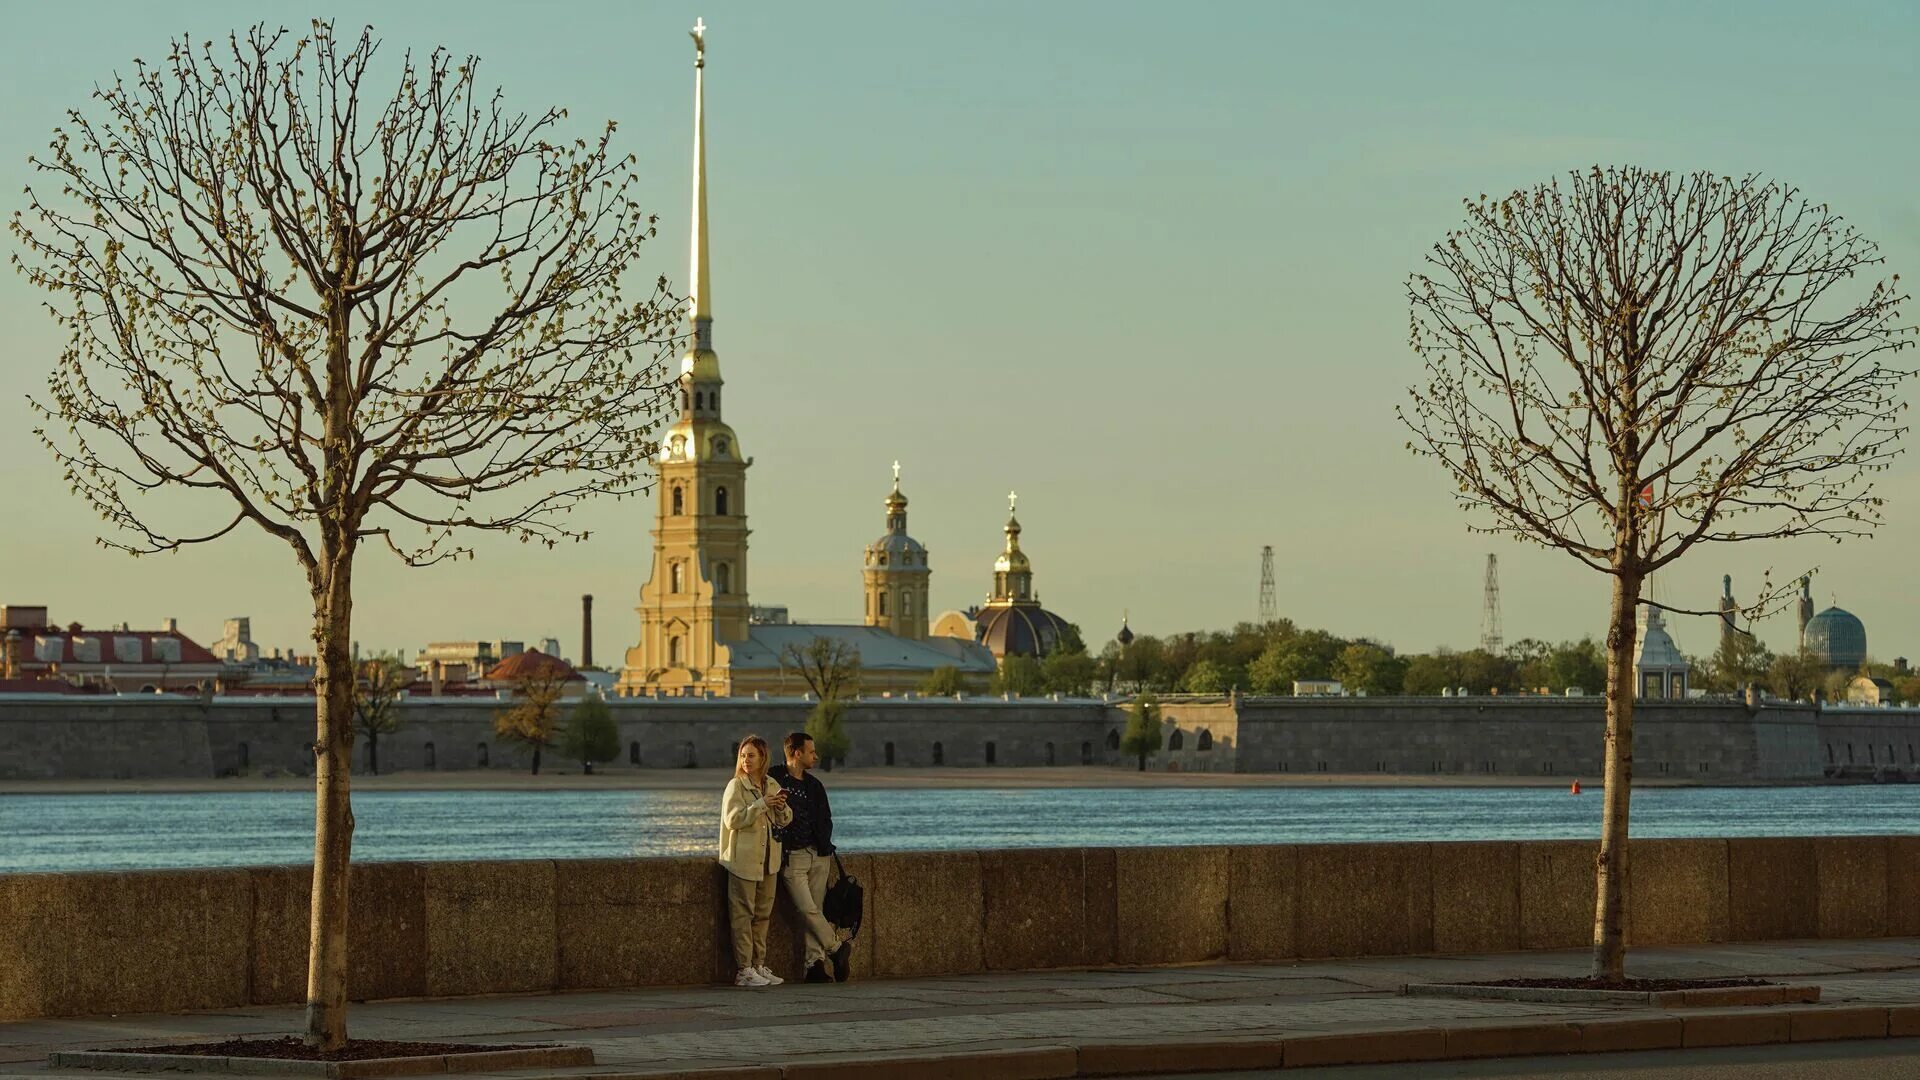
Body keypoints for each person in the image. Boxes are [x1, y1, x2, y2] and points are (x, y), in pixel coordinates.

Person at [770, 730, 853, 983]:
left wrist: (823, 844)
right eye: (811, 752)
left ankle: (814, 966)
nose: (815, 756)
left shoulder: (814, 785)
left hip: (819, 855)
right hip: (792, 857)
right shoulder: (774, 777)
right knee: (807, 909)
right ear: (796, 753)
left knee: (816, 909)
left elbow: (825, 819)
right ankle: (837, 948)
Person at [719, 734, 792, 988]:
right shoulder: (736, 786)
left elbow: (785, 820)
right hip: (743, 861)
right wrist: (761, 804)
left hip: (768, 861)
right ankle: (744, 969)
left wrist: (780, 806)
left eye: (751, 755)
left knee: (763, 916)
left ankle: (759, 965)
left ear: (763, 758)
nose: (746, 760)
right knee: (743, 915)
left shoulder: (771, 783)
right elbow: (733, 820)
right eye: (742, 755)